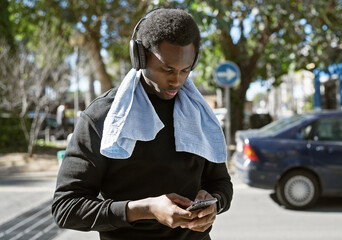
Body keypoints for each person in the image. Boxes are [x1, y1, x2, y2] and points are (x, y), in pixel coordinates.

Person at [52, 8, 233, 240]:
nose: (176, 80)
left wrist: (214, 203)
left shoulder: (201, 115)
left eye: (185, 70)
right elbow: (66, 209)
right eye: (167, 69)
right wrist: (144, 209)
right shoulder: (102, 118)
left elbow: (221, 183)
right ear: (139, 57)